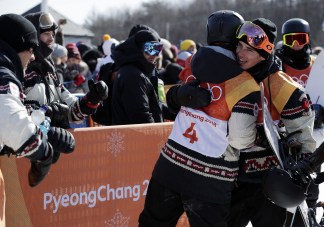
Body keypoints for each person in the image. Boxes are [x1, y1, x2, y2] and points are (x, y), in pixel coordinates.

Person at [138, 10, 261, 226]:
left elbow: (167, 98)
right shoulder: (245, 84)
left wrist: (177, 95)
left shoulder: (192, 63)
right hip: (211, 179)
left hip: (171, 165)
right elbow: (240, 139)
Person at [227, 18, 316, 227]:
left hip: (270, 184)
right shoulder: (232, 79)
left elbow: (303, 136)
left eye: (249, 49)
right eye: (239, 46)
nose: (240, 53)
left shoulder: (282, 85)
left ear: (264, 52)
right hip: (234, 181)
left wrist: (306, 173)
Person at [0, 13, 75, 189]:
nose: (33, 56)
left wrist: (91, 100)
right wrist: (44, 150)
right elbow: (13, 123)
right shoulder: (3, 75)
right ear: (16, 47)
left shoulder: (48, 70)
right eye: (31, 49)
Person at [23, 12, 108, 129]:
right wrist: (47, 112)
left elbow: (70, 109)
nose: (51, 38)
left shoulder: (50, 71)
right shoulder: (22, 70)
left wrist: (90, 100)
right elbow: (13, 114)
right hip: (32, 142)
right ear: (33, 37)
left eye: (53, 34)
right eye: (46, 34)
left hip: (56, 143)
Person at [111, 29, 165, 125]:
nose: (154, 55)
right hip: (135, 137)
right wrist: (156, 135)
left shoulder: (137, 71)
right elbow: (140, 115)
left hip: (134, 135)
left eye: (157, 49)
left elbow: (153, 105)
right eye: (150, 48)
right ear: (138, 49)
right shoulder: (133, 75)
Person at [275, 18, 315, 88]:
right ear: (284, 41)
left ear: (308, 39)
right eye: (290, 40)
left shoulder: (316, 64)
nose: (295, 44)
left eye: (300, 39)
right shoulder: (278, 65)